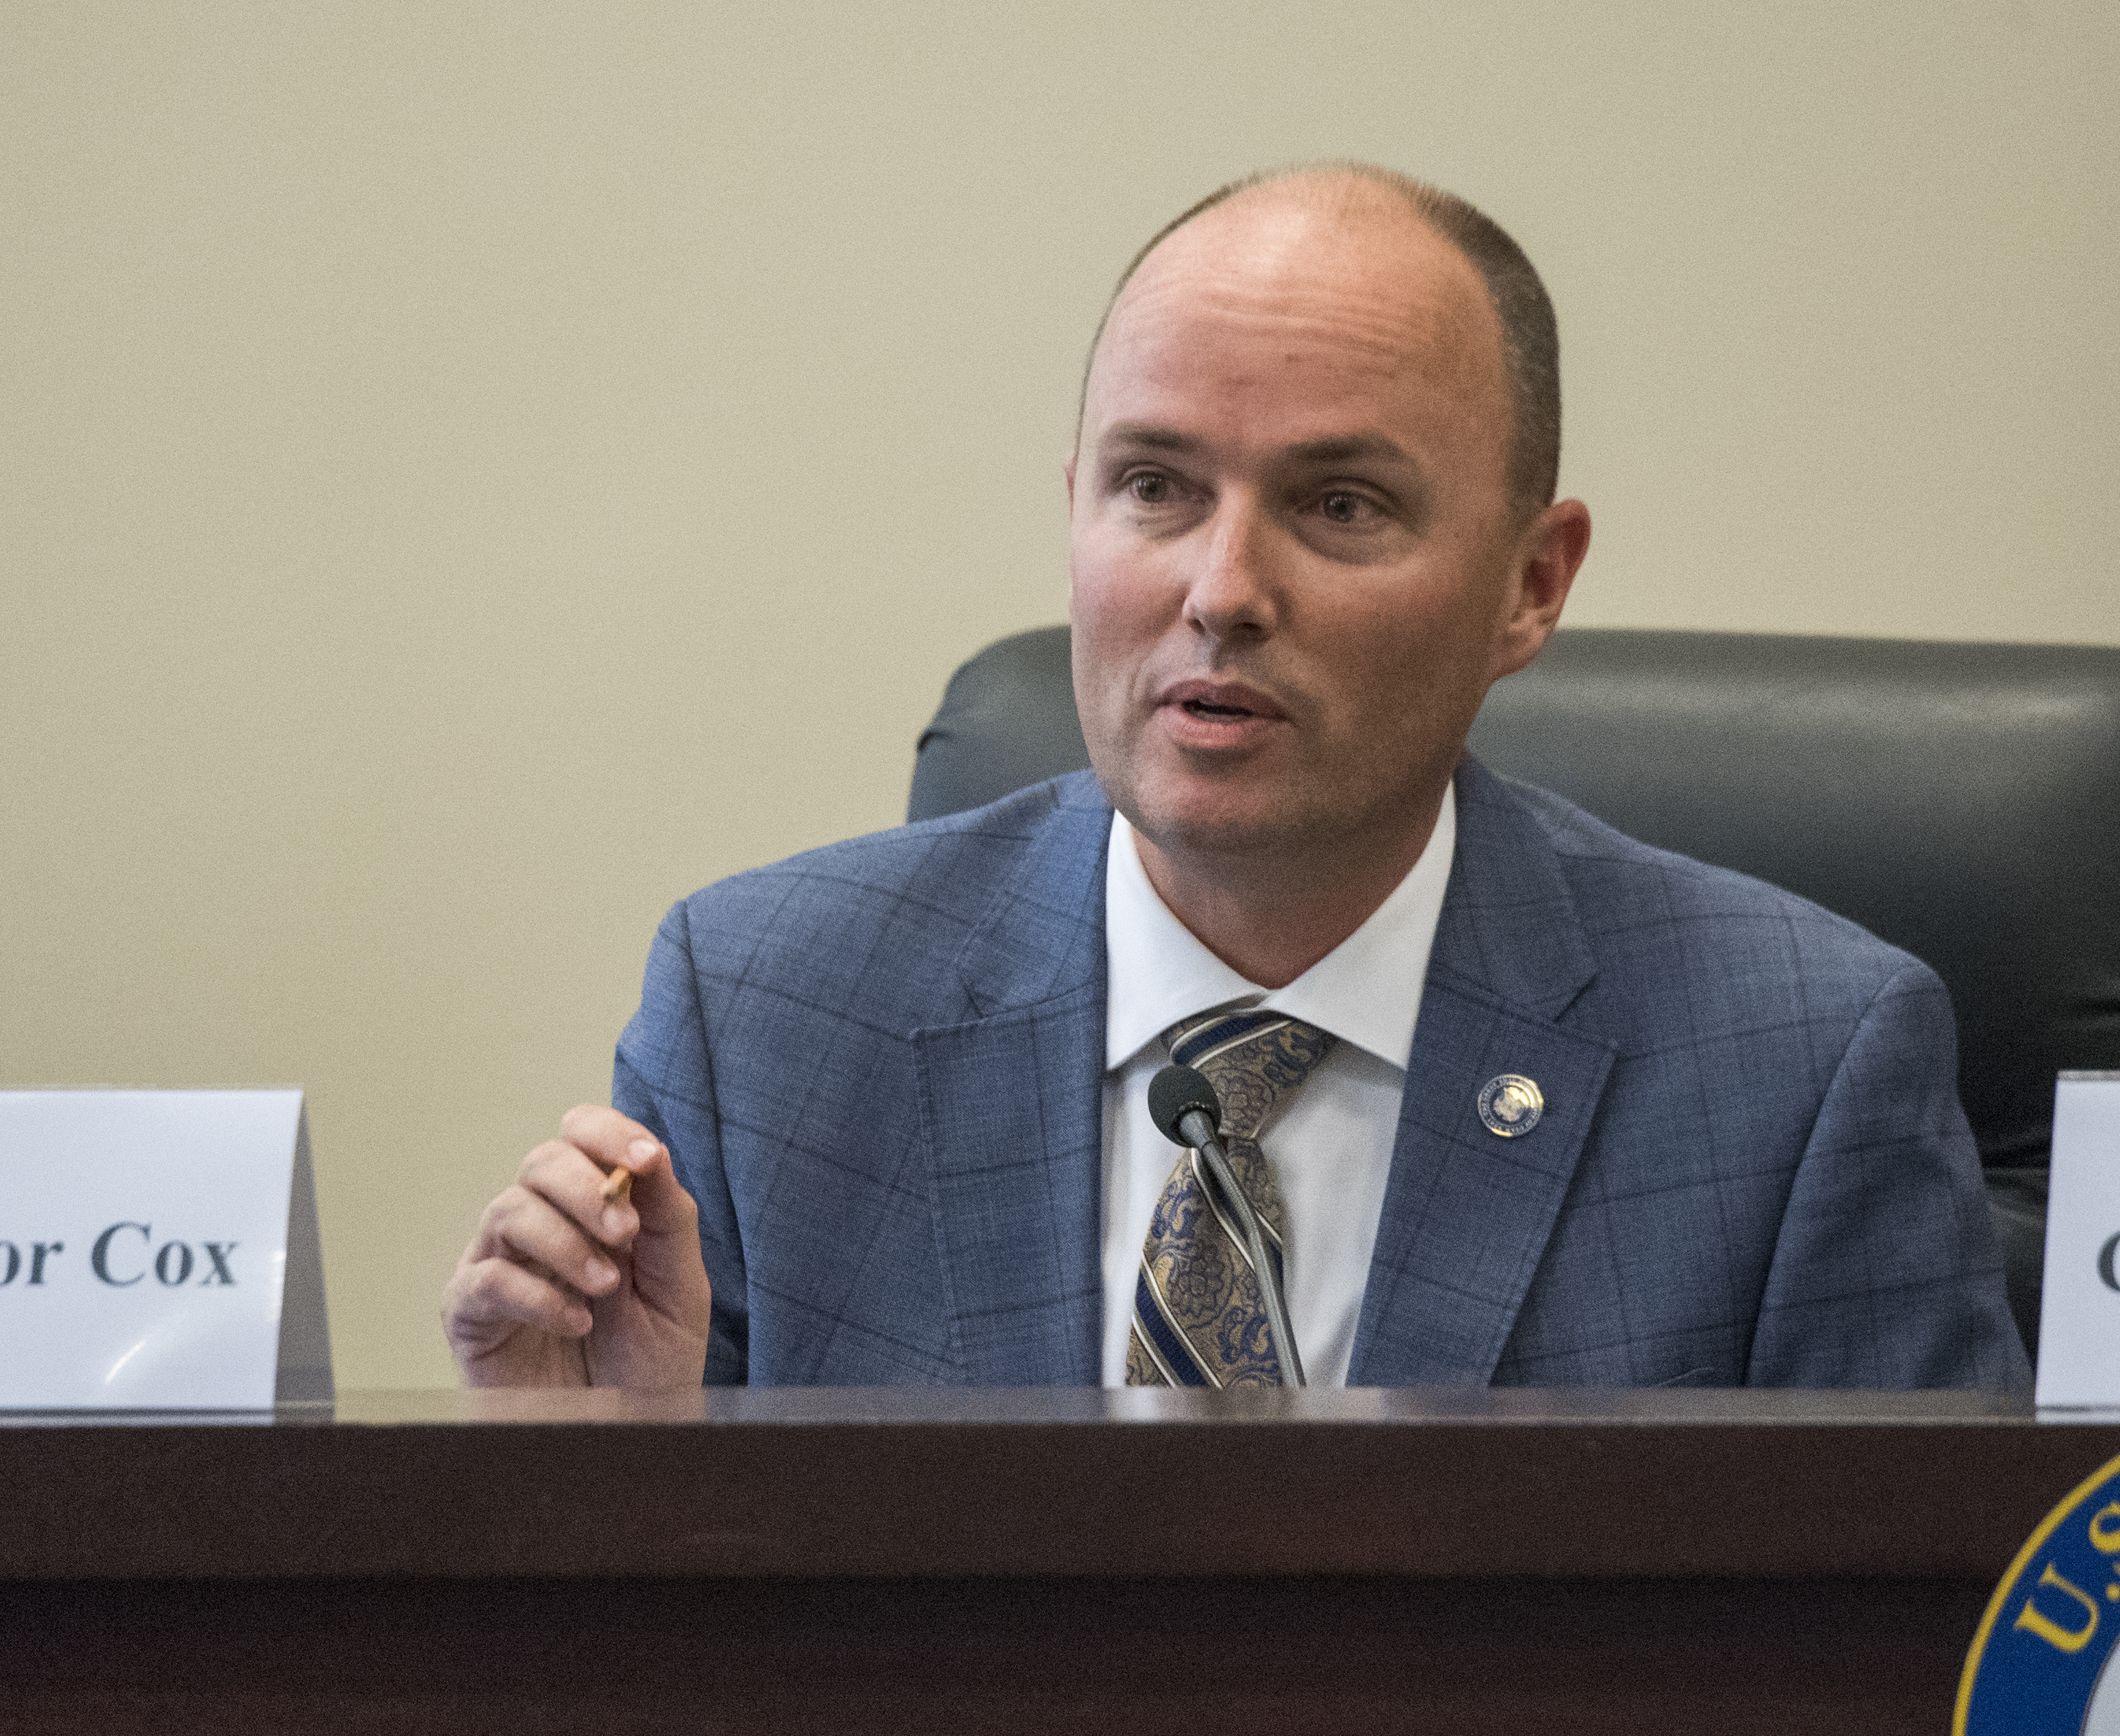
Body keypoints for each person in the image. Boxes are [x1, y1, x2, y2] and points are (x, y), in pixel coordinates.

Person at [441, 163, 2029, 1392]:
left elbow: (1927, 1653)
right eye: (1155, 487)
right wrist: (578, 1487)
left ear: (1531, 585)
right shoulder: (766, 1014)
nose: (1222, 586)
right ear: (1074, 513)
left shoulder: (1803, 1068)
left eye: (1339, 503)